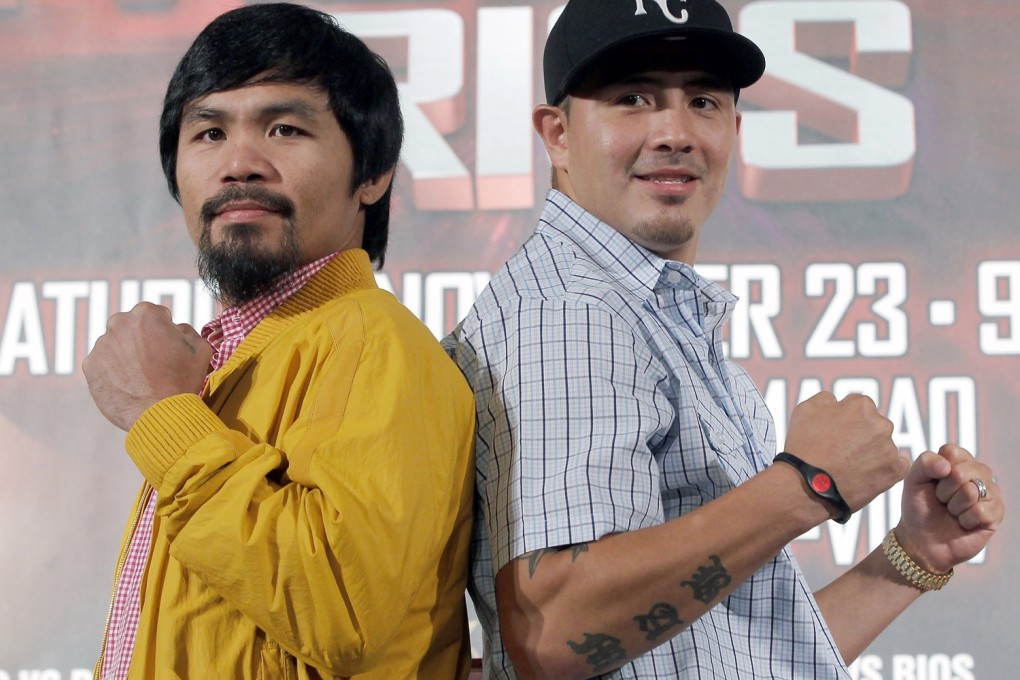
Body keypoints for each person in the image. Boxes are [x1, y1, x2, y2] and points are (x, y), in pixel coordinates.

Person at [443, 0, 1005, 678]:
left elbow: (734, 656)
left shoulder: (649, 312)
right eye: (633, 98)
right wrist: (806, 484)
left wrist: (911, 558)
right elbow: (553, 627)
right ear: (557, 135)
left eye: (703, 102)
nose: (675, 132)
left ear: (734, 130)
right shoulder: (570, 310)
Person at [82, 4, 475, 678]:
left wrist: (163, 420)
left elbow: (341, 612)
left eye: (285, 128)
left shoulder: (377, 342)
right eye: (207, 133)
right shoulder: (231, 362)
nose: (240, 164)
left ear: (373, 173)